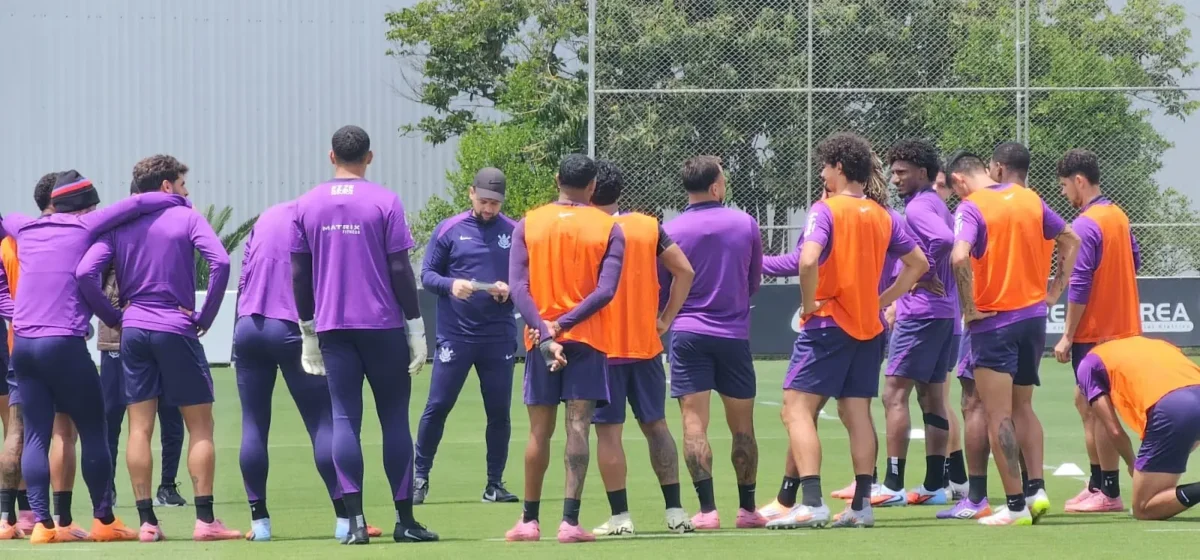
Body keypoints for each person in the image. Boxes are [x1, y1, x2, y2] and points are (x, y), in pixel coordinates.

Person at [2, 170, 186, 544]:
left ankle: (42, 525)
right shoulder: (85, 227)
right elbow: (137, 202)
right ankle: (104, 519)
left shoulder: (26, 227)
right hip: (64, 344)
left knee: (37, 434)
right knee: (94, 429)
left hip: (23, 344)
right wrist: (176, 200)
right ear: (85, 208)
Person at [766, 132, 927, 530]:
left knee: (796, 409)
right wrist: (882, 299)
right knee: (856, 413)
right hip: (868, 328)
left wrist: (806, 304)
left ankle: (812, 500)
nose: (823, 173)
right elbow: (919, 263)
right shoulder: (882, 214)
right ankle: (861, 505)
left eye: (824, 166)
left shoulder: (826, 210)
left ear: (838, 168)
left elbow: (807, 261)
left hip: (828, 323)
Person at [75, 155, 239, 542]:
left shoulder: (120, 224)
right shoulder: (187, 216)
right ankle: (205, 521)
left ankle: (148, 523)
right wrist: (205, 317)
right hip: (176, 327)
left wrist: (112, 317)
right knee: (200, 425)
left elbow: (84, 273)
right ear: (167, 185)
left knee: (139, 427)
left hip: (133, 332)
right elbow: (221, 261)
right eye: (183, 184)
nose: (186, 191)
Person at [290, 126, 435, 545]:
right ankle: (405, 521)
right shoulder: (385, 200)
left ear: (330, 155)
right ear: (369, 157)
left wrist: (306, 326)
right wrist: (416, 324)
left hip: (333, 327)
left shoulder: (307, 204)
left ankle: (354, 523)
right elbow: (399, 269)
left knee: (343, 421)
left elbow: (299, 272)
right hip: (383, 324)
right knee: (393, 420)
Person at [235, 200, 384, 542]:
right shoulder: (316, 222)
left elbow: (245, 273)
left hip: (248, 325)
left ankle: (259, 523)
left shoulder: (267, 215)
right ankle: (346, 518)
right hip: (290, 327)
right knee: (323, 422)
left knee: (253, 424)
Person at [947, 151, 1080, 526]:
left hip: (994, 324)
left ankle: (1016, 505)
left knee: (998, 413)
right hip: (1034, 318)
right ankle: (1036, 490)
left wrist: (969, 309)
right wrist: (1054, 290)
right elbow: (1071, 240)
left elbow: (959, 258)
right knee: (1024, 407)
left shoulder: (971, 207)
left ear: (959, 180)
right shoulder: (1030, 198)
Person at [504, 154, 624, 544]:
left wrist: (544, 330)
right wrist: (564, 325)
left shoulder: (529, 222)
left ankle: (528, 520)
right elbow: (605, 291)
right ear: (592, 187)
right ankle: (569, 522)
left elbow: (518, 288)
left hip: (540, 341)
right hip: (586, 340)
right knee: (578, 428)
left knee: (539, 431)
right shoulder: (608, 227)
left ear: (557, 179)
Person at [587, 160, 696, 536]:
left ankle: (621, 518)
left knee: (608, 434)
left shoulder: (584, 229)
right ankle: (676, 512)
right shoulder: (647, 226)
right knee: (657, 427)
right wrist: (665, 319)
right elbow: (685, 270)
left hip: (600, 348)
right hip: (645, 346)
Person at [662, 155, 764, 530]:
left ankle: (707, 511)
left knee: (693, 424)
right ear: (717, 186)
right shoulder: (745, 223)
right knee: (743, 427)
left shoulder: (669, 229)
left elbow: (665, 286)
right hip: (733, 335)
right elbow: (755, 281)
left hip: (688, 334)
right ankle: (747, 509)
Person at [415, 168, 519, 505]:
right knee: (438, 406)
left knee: (499, 412)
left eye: (496, 203)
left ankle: (494, 483)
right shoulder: (449, 229)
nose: (490, 209)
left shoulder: (515, 232)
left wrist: (510, 291)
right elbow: (428, 275)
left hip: (498, 337)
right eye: (485, 201)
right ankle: (419, 478)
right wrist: (451, 285)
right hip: (456, 336)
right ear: (471, 193)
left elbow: (527, 282)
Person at [1052, 149, 1140, 514]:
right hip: (1123, 328)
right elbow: (1135, 260)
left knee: (1098, 409)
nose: (1062, 193)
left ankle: (1110, 492)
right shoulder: (1117, 215)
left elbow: (1081, 283)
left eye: (1063, 186)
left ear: (1079, 181)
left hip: (1096, 333)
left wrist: (1068, 334)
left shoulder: (1086, 225)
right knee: (1084, 401)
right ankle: (1098, 484)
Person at [96, 181, 189, 514]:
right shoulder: (117, 228)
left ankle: (167, 485)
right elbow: (93, 278)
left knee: (171, 415)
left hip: (159, 333)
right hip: (117, 339)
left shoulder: (171, 229)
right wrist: (113, 315)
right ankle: (107, 487)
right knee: (113, 416)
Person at [875, 139, 957, 507]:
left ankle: (892, 484)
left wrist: (921, 274)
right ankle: (934, 485)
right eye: (893, 172)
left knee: (893, 393)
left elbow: (943, 240)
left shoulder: (920, 208)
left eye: (901, 173)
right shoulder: (937, 203)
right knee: (933, 396)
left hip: (921, 314)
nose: (895, 180)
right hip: (943, 315)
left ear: (923, 173)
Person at [1074, 336, 1200, 521]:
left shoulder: (1088, 363)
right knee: (1162, 490)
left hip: (1172, 409)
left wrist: (1132, 464)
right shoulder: (1155, 343)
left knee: (1144, 508)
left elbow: (1114, 430)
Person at [0, 173, 55, 539]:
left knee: (15, 428)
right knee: (23, 427)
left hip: (15, 332)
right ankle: (33, 515)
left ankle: (10, 517)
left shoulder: (9, 241)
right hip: (31, 334)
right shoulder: (18, 240)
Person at [930, 170, 969, 501]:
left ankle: (951, 476)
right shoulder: (942, 220)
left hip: (948, 321)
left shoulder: (954, 224)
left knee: (939, 401)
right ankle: (956, 476)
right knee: (937, 401)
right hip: (948, 319)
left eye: (942, 186)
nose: (936, 190)